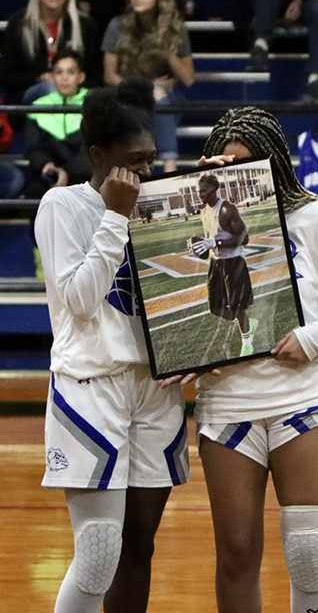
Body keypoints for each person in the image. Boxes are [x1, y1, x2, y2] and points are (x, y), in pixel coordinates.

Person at [186, 106, 318, 613]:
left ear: (273, 161)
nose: (233, 174)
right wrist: (196, 200)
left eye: (242, 163)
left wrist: (309, 339)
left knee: (309, 551)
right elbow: (182, 316)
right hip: (226, 408)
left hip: (302, 400)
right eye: (223, 164)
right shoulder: (201, 219)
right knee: (237, 554)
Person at [34, 76, 189, 613]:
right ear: (98, 154)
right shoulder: (61, 206)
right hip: (89, 388)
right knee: (99, 552)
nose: (146, 171)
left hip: (155, 389)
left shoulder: (161, 203)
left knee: (138, 547)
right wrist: (116, 217)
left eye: (150, 159)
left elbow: (193, 292)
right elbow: (79, 298)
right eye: (135, 160)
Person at [102, 0, 194, 173]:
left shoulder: (175, 28)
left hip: (165, 99)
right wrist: (144, 87)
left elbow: (188, 78)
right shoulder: (117, 25)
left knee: (159, 97)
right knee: (150, 97)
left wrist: (167, 52)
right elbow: (110, 76)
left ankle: (169, 168)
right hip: (128, 95)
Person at [0, 0, 102, 105]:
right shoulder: (19, 24)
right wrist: (40, 78)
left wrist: (71, 81)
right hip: (28, 97)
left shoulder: (85, 25)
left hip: (75, 98)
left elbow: (95, 76)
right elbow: (6, 75)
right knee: (49, 88)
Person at [189, 173, 257, 358]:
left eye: (203, 191)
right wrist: (199, 246)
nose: (199, 194)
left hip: (233, 263)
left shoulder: (227, 209)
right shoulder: (204, 211)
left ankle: (247, 344)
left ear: (214, 188)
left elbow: (245, 238)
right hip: (216, 263)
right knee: (215, 307)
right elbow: (210, 240)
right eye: (198, 191)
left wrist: (215, 243)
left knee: (237, 308)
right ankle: (249, 325)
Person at [24, 48, 91, 200]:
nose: (64, 78)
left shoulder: (94, 103)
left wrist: (67, 172)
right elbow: (33, 148)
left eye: (71, 72)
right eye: (59, 72)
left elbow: (97, 149)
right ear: (52, 77)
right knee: (34, 191)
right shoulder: (38, 106)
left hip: (83, 172)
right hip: (49, 170)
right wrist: (45, 164)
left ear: (81, 76)